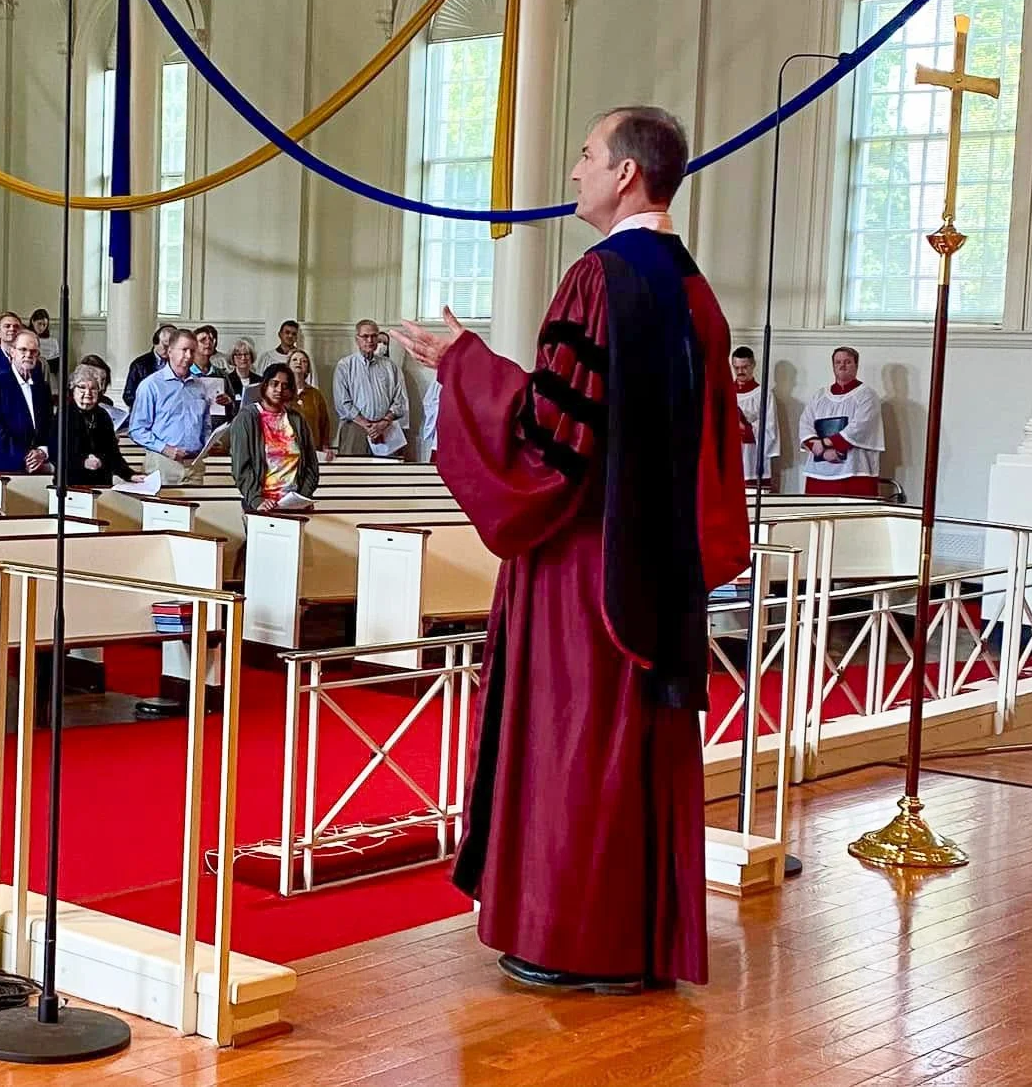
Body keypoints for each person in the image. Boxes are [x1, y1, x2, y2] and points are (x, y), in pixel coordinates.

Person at [393, 105, 751, 995]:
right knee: (635, 745)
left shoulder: (599, 278)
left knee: (576, 744)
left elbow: (554, 437)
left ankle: (574, 940)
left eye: (587, 154)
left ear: (628, 172)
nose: (575, 169)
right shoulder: (696, 293)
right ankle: (637, 942)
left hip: (585, 565)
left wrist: (464, 366)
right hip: (661, 567)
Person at [128, 329, 216, 487]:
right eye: (184, 350)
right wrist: (165, 449)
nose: (188, 356)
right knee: (162, 511)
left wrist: (206, 445)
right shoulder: (151, 385)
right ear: (170, 351)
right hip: (162, 462)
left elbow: (206, 425)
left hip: (194, 464)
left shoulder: (200, 386)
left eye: (192, 351)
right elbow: (137, 429)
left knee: (197, 509)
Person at [230, 363, 320, 511]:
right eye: (274, 384)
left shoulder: (296, 419)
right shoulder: (247, 418)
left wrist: (302, 496)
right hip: (261, 504)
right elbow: (241, 467)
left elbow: (311, 464)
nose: (279, 390)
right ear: (265, 386)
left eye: (285, 386)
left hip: (294, 503)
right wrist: (256, 499)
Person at [800, 345, 883, 497]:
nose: (842, 366)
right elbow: (805, 425)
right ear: (833, 366)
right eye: (837, 362)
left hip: (855, 470)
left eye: (847, 362)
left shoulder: (867, 395)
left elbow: (860, 427)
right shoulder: (819, 395)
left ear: (856, 365)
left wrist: (825, 443)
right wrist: (823, 453)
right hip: (819, 471)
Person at [0, 327, 54, 474]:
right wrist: (25, 456)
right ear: (12, 352)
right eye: (23, 350)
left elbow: (49, 426)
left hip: (37, 468)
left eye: (33, 352)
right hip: (4, 465)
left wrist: (42, 451)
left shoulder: (42, 387)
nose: (28, 355)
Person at [333, 320, 409, 456]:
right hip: (355, 428)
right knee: (354, 472)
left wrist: (383, 423)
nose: (370, 340)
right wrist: (367, 425)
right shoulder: (345, 366)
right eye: (365, 336)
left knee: (385, 475)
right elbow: (342, 403)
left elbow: (400, 400)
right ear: (357, 339)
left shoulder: (390, 367)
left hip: (386, 429)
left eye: (374, 336)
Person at [63, 361, 132, 487]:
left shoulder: (103, 416)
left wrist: (130, 475)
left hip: (102, 484)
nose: (88, 392)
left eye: (93, 388)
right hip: (71, 485)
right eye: (82, 387)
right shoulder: (64, 415)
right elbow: (55, 453)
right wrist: (82, 462)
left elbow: (113, 454)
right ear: (73, 389)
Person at [733, 347, 779, 490]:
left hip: (752, 460)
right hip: (730, 459)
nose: (740, 371)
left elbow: (770, 429)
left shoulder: (764, 394)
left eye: (745, 367)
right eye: (736, 367)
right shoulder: (725, 393)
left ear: (753, 365)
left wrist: (745, 427)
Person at [122, 323, 175, 407]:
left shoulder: (179, 364)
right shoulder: (139, 364)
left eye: (172, 347)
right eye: (165, 346)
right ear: (155, 342)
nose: (169, 350)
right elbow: (128, 396)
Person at [226, 338, 262, 404]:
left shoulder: (260, 381)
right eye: (239, 355)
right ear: (232, 358)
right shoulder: (227, 381)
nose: (243, 358)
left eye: (246, 354)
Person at [29, 308, 62, 374]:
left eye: (44, 325)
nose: (42, 327)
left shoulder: (53, 341)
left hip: (50, 371)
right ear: (33, 321)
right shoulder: (27, 338)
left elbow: (57, 363)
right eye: (39, 324)